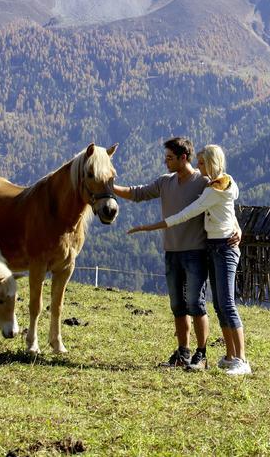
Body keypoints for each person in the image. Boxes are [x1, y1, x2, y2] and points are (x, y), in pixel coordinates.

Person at [114, 137, 236, 371]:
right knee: (177, 305)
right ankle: (183, 352)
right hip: (171, 252)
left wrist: (236, 228)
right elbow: (138, 193)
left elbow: (225, 204)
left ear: (183, 157)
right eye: (165, 157)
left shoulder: (203, 181)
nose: (165, 162)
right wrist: (110, 187)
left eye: (170, 158)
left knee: (195, 303)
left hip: (196, 252)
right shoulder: (165, 182)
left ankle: (201, 354)